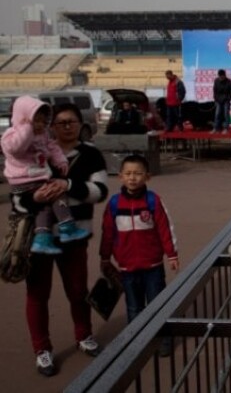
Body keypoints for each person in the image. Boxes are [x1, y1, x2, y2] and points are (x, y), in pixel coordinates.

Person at [18, 102, 109, 377]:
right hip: (38, 238)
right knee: (37, 295)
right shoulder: (35, 153)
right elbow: (17, 197)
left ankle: (84, 335)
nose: (66, 126)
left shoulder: (92, 154)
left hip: (75, 236)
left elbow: (100, 191)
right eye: (60, 123)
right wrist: (33, 198)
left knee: (77, 291)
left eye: (71, 121)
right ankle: (42, 349)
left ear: (81, 124)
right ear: (51, 126)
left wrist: (67, 185)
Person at [100, 154, 179, 356]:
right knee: (134, 308)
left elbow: (164, 228)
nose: (132, 177)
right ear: (120, 177)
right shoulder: (114, 204)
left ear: (147, 177)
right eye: (128, 173)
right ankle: (137, 342)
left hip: (153, 265)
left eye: (137, 173)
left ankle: (163, 339)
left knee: (157, 304)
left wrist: (172, 254)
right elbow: (108, 232)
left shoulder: (153, 200)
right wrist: (105, 257)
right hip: (127, 267)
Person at [1, 96, 90, 256]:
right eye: (37, 121)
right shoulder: (12, 135)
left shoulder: (44, 135)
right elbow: (16, 149)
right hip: (24, 180)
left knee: (48, 203)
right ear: (24, 118)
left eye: (43, 121)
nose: (41, 125)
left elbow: (52, 147)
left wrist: (61, 160)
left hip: (38, 177)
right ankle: (67, 226)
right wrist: (27, 128)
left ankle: (43, 237)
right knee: (56, 195)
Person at [212, 69, 231, 133]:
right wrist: (216, 99)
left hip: (226, 101)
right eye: (219, 76)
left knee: (226, 115)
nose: (221, 78)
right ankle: (216, 128)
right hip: (218, 101)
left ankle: (226, 129)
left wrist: (228, 99)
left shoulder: (229, 82)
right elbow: (214, 91)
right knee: (217, 114)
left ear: (224, 75)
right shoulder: (216, 81)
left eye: (222, 77)